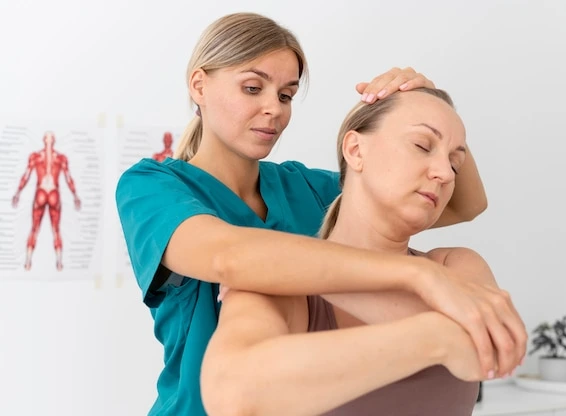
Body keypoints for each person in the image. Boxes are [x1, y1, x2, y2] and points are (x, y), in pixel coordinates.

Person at [116, 12, 525, 416]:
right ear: (199, 85)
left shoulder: (306, 188)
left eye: (286, 95)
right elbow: (231, 257)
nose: (273, 109)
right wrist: (419, 276)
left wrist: (428, 105)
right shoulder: (152, 186)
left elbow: (462, 203)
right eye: (253, 88)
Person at [201, 87, 519, 416]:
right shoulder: (281, 286)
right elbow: (233, 395)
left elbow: (493, 346)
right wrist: (437, 337)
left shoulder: (456, 266)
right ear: (355, 150)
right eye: (422, 145)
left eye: (455, 164)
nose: (444, 173)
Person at [12, 131, 81, 271]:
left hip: (41, 193)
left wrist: (18, 192)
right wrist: (75, 195)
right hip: (53, 193)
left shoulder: (36, 157)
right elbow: (68, 178)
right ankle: (59, 263)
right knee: (56, 230)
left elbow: (26, 175)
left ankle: (28, 262)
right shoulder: (60, 158)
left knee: (35, 228)